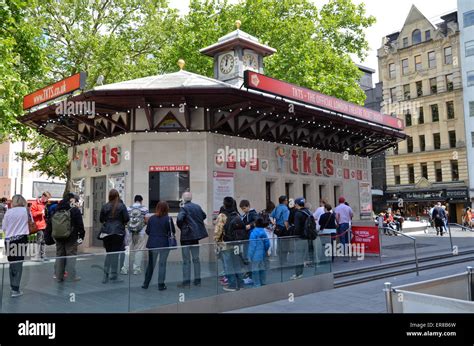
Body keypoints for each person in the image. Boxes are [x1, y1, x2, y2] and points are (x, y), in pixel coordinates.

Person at [176, 191, 208, 288]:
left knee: (186, 260)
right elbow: (204, 215)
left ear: (183, 198)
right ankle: (197, 280)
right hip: (195, 237)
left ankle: (186, 282)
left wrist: (183, 227)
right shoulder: (197, 207)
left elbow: (179, 220)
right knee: (196, 259)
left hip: (186, 237)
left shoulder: (183, 208)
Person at [142, 201, 175, 291]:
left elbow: (147, 231)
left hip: (152, 244)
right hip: (164, 244)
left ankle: (146, 283)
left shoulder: (152, 218)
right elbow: (173, 231)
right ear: (166, 209)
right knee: (162, 264)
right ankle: (161, 284)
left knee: (151, 265)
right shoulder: (168, 218)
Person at [1, 195, 30, 297]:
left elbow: (4, 227)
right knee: (18, 264)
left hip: (9, 241)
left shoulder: (9, 211)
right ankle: (15, 289)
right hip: (21, 239)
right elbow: (31, 223)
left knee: (12, 263)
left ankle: (12, 285)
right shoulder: (26, 211)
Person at [99, 189, 130, 283]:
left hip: (107, 232)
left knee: (108, 254)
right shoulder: (121, 206)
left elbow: (101, 219)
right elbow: (126, 218)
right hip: (118, 232)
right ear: (117, 196)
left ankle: (105, 276)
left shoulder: (105, 206)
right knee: (115, 255)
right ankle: (114, 275)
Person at [53, 193, 85, 282]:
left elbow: (50, 221)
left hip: (58, 236)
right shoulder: (74, 209)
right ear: (72, 199)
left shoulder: (57, 208)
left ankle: (59, 276)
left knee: (60, 255)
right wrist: (81, 235)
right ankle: (71, 276)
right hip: (71, 236)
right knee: (71, 256)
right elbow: (80, 224)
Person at [121, 195, 149, 275]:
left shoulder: (128, 208)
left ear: (134, 200)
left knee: (128, 250)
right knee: (139, 250)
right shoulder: (145, 209)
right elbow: (147, 220)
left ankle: (125, 269)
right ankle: (136, 269)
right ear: (141, 201)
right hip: (140, 232)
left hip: (129, 232)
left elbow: (125, 219)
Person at [291, 197, 311, 279]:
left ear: (296, 204)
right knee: (302, 256)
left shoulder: (298, 213)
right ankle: (300, 273)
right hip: (306, 237)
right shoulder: (307, 212)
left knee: (298, 256)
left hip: (299, 238)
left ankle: (297, 274)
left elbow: (297, 228)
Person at [240, 199, 258, 285]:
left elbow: (257, 221)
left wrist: (250, 225)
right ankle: (249, 274)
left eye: (244, 208)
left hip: (250, 238)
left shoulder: (252, 214)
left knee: (249, 257)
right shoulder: (246, 215)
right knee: (247, 257)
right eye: (242, 209)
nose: (243, 210)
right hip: (247, 238)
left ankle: (251, 276)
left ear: (248, 206)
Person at [247, 218, 270, 287]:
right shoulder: (264, 232)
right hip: (262, 254)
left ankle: (257, 284)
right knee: (262, 268)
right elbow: (267, 243)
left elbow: (252, 246)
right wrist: (265, 251)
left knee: (255, 270)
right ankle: (263, 282)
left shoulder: (253, 233)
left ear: (255, 224)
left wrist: (249, 256)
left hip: (255, 256)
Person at [30, 191, 51, 261]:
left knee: (43, 241)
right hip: (38, 225)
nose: (47, 200)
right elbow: (32, 214)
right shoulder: (35, 203)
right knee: (39, 241)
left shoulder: (45, 204)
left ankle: (43, 255)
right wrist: (40, 213)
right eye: (46, 198)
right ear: (43, 196)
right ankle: (36, 256)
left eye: (48, 198)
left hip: (45, 224)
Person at [270, 195, 290, 265]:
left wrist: (274, 223)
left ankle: (280, 260)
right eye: (287, 200)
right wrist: (288, 228)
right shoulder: (285, 209)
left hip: (278, 228)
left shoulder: (277, 207)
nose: (287, 201)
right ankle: (284, 260)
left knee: (279, 243)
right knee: (285, 245)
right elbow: (285, 220)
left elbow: (271, 216)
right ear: (284, 201)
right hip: (284, 228)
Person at [334, 197, 353, 261]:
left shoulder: (337, 208)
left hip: (341, 223)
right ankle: (348, 251)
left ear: (339, 201)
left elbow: (336, 216)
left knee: (342, 238)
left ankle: (343, 251)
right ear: (344, 201)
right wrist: (349, 219)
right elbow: (351, 214)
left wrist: (337, 222)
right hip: (347, 223)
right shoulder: (348, 207)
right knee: (348, 237)